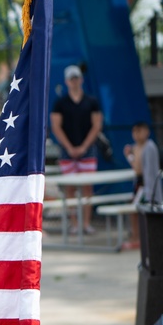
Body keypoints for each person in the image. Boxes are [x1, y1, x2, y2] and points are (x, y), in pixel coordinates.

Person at [50, 65, 103, 233]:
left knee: (88, 186)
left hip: (87, 149)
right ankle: (74, 223)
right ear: (67, 81)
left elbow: (97, 125)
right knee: (70, 188)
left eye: (76, 78)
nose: (74, 81)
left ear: (81, 79)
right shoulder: (60, 103)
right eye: (71, 79)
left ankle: (86, 223)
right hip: (67, 150)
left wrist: (84, 146)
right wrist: (70, 147)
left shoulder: (91, 101)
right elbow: (56, 127)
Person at [121, 121, 162, 250]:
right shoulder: (136, 147)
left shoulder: (149, 147)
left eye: (140, 131)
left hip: (147, 186)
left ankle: (139, 237)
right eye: (134, 131)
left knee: (137, 210)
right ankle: (137, 236)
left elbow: (139, 169)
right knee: (135, 210)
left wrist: (129, 157)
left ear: (146, 132)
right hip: (140, 184)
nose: (137, 134)